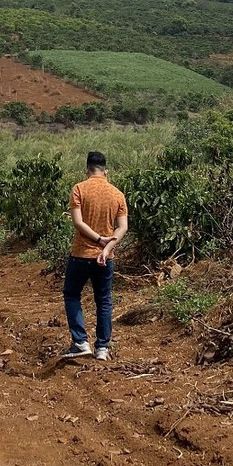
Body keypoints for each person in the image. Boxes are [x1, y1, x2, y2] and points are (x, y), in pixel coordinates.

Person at [63, 151, 128, 361]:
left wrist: (99, 239)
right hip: (105, 258)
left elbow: (78, 223)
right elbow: (122, 227)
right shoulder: (117, 194)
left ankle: (80, 342)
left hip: (81, 254)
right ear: (105, 171)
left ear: (87, 170)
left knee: (72, 294)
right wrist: (107, 248)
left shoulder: (79, 189)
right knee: (104, 300)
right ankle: (102, 348)